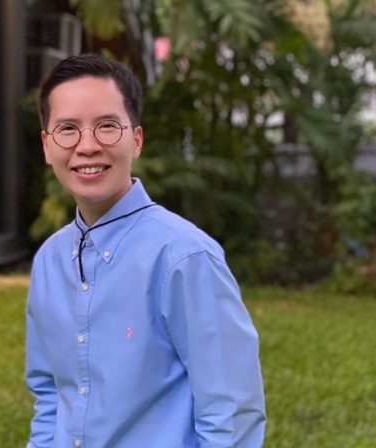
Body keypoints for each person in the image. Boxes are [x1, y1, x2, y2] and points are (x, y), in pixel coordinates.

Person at [25, 53, 266, 448]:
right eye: (67, 129)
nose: (87, 146)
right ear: (47, 146)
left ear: (136, 140)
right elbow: (50, 394)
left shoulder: (184, 257)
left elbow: (231, 412)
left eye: (107, 126)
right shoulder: (50, 262)